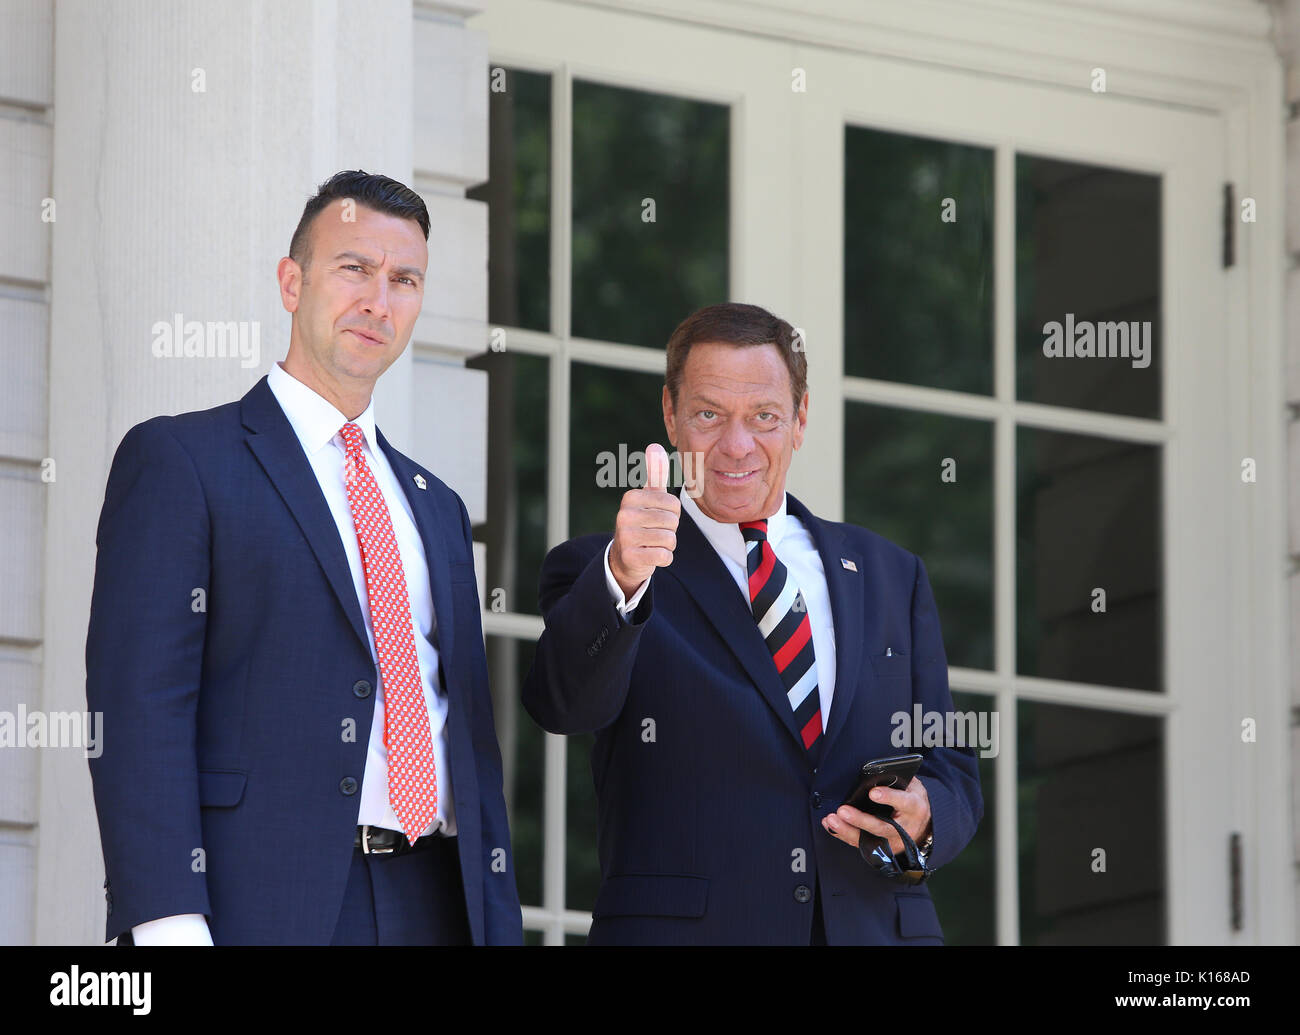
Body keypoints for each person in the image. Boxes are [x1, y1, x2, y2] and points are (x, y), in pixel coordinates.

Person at [85, 170, 522, 945]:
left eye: (404, 280)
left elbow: (466, 736)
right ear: (292, 282)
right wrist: (167, 922)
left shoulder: (437, 507)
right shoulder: (183, 460)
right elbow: (139, 708)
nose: (377, 300)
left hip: (436, 900)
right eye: (354, 267)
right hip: (259, 903)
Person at [522, 302, 982, 944]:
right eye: (709, 415)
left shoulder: (890, 575)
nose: (736, 446)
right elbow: (562, 705)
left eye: (763, 417)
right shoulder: (608, 567)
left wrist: (930, 811)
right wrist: (624, 576)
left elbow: (951, 765)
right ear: (670, 415)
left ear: (798, 419)